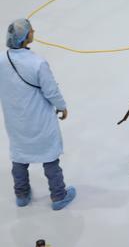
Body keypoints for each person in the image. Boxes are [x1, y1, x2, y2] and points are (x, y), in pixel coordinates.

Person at [0, 19, 76, 211]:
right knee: (49, 157)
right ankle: (59, 195)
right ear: (26, 38)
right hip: (39, 119)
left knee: (19, 156)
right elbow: (50, 91)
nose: (34, 30)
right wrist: (62, 106)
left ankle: (22, 194)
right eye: (30, 30)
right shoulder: (37, 63)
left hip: (15, 119)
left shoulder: (2, 60)